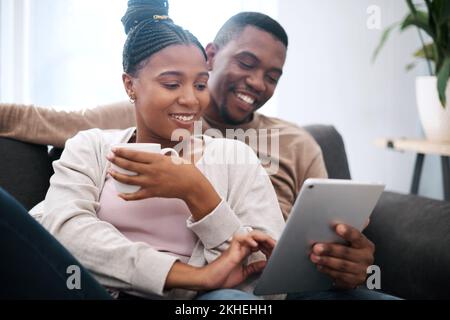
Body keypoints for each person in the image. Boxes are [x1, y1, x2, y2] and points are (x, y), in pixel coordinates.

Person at [0, 6, 395, 299]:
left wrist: (197, 192)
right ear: (130, 86)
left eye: (199, 84)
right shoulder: (94, 142)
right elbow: (63, 233)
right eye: (171, 84)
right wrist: (191, 274)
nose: (190, 99)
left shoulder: (237, 157)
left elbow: (267, 280)